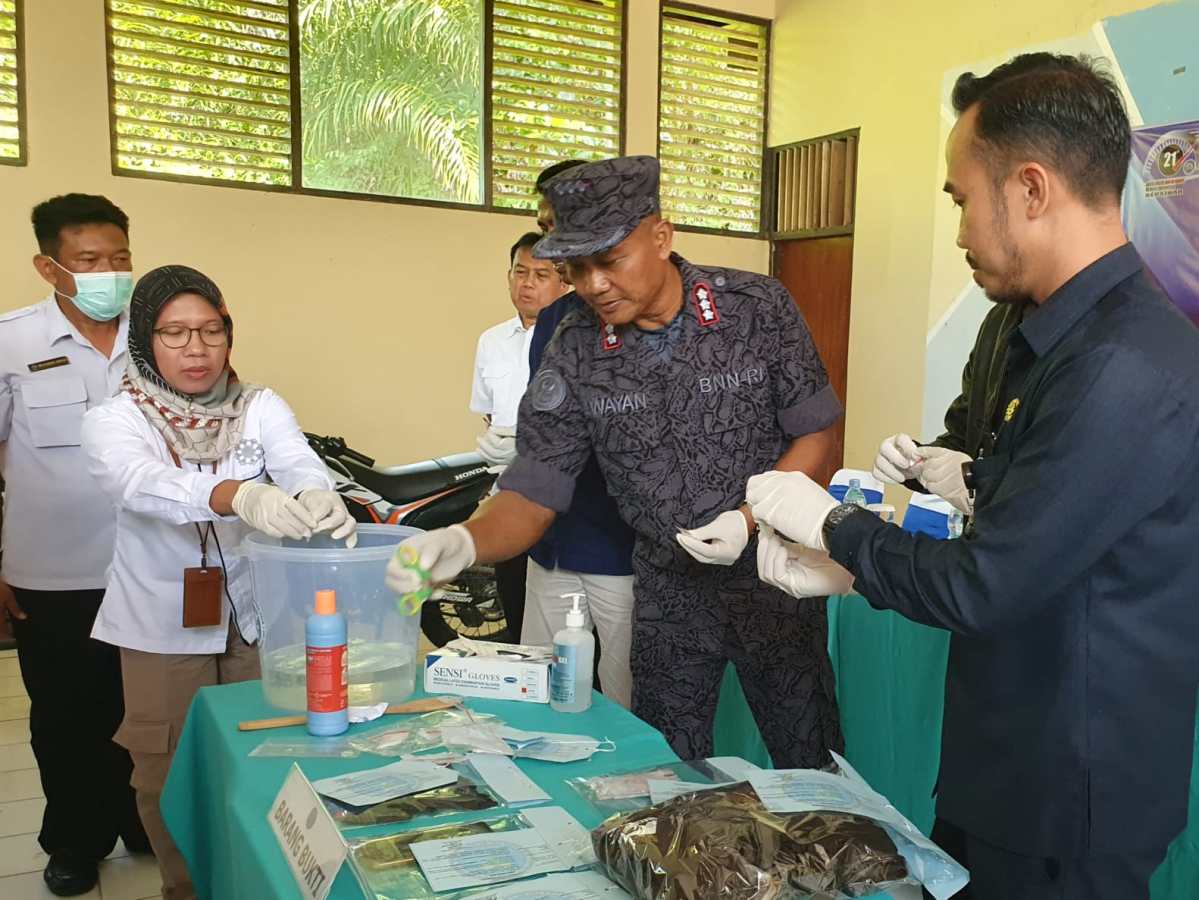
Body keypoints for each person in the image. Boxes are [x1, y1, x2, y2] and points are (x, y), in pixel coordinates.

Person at [747, 54, 1199, 900]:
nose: (956, 232)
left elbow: (989, 582)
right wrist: (915, 489)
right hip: (1004, 752)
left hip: (1070, 790)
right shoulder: (1034, 331)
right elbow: (1001, 482)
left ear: (1029, 189)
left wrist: (835, 533)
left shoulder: (1122, 364)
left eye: (959, 200)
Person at [389, 156, 846, 767]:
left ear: (661, 236)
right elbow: (534, 490)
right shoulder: (574, 348)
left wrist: (750, 517)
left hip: (776, 578)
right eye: (576, 268)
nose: (594, 284)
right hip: (668, 595)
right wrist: (466, 543)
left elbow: (816, 431)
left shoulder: (754, 308)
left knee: (810, 757)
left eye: (610, 261)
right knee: (667, 771)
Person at [81, 265, 356, 900]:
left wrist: (316, 493)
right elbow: (137, 482)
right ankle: (187, 888)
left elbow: (296, 459)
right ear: (145, 339)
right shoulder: (116, 417)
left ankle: (256, 883)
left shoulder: (258, 405)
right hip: (159, 626)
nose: (196, 349)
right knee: (168, 771)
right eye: (175, 333)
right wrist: (235, 494)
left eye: (211, 330)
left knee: (267, 757)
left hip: (255, 619)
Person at [0, 194, 148, 897]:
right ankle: (72, 840)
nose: (109, 273)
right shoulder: (11, 341)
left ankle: (140, 819)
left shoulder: (159, 336)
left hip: (150, 567)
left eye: (120, 258)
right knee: (64, 713)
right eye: (89, 260)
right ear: (49, 266)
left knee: (142, 708)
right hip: (50, 570)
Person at [522, 159, 637, 709]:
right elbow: (547, 434)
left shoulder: (646, 315)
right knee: (541, 692)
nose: (554, 248)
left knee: (626, 699)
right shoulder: (554, 320)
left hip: (624, 550)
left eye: (561, 228)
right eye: (545, 230)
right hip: (553, 543)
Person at [470, 232, 568, 640]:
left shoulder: (572, 337)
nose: (527, 282)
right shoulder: (491, 340)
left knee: (564, 620)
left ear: (564, 281)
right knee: (515, 600)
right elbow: (489, 414)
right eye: (520, 272)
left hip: (558, 496)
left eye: (541, 274)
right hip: (508, 492)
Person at [872, 301, 1024, 514]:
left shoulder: (1078, 344)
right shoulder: (997, 321)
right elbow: (964, 436)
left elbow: (1056, 482)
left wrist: (977, 480)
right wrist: (917, 462)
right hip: (982, 536)